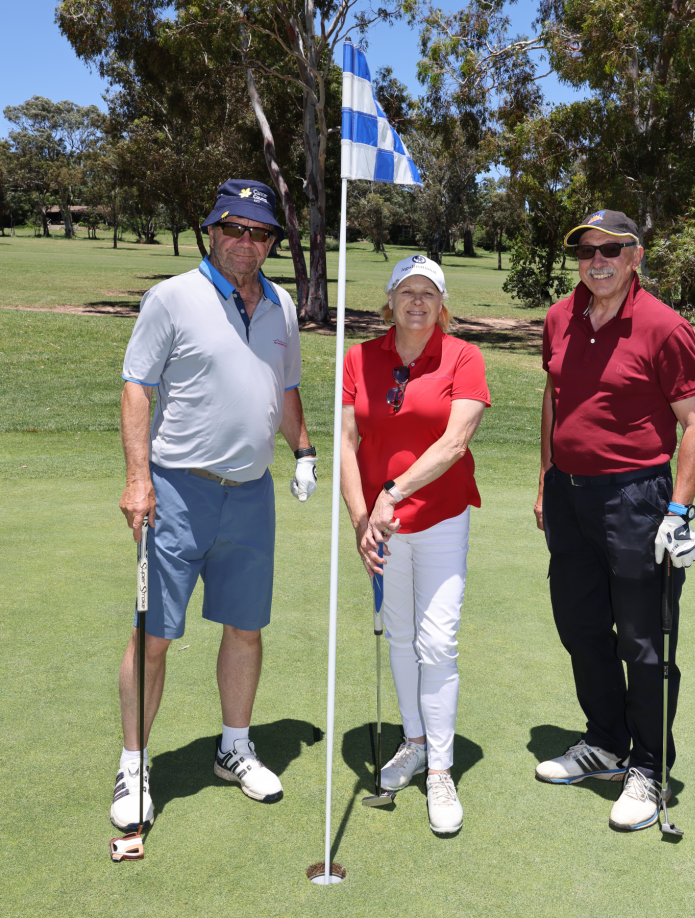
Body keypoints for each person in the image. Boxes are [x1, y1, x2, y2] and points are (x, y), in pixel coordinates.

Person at [111, 179, 318, 833]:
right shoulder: (172, 298)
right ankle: (134, 763)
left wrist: (305, 450)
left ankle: (234, 747)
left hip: (251, 494)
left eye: (260, 233)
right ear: (211, 231)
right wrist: (138, 479)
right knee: (155, 635)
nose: (246, 243)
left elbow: (283, 389)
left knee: (245, 628)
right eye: (235, 229)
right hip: (177, 487)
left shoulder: (281, 305)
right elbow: (137, 387)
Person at [533, 210, 695, 831]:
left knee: (644, 641)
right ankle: (605, 743)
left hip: (638, 498)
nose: (597, 260)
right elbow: (555, 400)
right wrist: (544, 482)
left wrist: (679, 512)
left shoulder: (664, 326)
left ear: (635, 256)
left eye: (611, 249)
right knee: (581, 626)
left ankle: (649, 766)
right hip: (568, 494)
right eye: (586, 250)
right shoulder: (560, 316)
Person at [340, 255, 490, 834]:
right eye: (408, 292)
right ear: (391, 300)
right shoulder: (359, 357)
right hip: (381, 526)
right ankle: (414, 740)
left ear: (442, 303)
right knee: (398, 634)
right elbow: (350, 441)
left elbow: (455, 443)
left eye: (429, 293)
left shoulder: (463, 357)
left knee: (438, 641)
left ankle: (442, 771)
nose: (418, 302)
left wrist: (391, 494)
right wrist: (361, 517)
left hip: (441, 518)